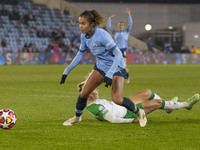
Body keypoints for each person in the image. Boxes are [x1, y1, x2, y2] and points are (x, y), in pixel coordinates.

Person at [60, 10, 147, 127]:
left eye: (83, 23)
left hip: (117, 67)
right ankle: (77, 117)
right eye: (79, 23)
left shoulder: (102, 35)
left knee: (117, 99)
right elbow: (80, 54)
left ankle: (140, 112)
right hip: (101, 67)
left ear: (92, 24)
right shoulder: (84, 36)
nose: (80, 26)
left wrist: (110, 74)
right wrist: (67, 71)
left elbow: (118, 54)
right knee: (84, 93)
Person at [77, 81, 199, 123]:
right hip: (127, 113)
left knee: (147, 92)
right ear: (88, 93)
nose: (97, 89)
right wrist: (133, 119)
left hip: (122, 105)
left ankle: (169, 107)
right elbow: (112, 119)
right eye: (94, 89)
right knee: (157, 103)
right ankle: (186, 104)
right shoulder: (94, 107)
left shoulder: (94, 101)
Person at [107, 8, 133, 83]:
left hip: (123, 50)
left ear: (124, 26)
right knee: (113, 64)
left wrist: (129, 15)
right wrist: (109, 19)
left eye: (121, 25)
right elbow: (109, 27)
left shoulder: (126, 32)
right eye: (119, 25)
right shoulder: (115, 32)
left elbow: (130, 24)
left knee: (123, 66)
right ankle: (113, 77)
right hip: (116, 50)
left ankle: (127, 77)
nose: (120, 26)